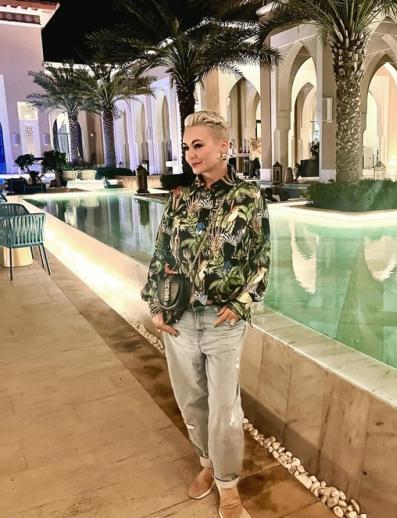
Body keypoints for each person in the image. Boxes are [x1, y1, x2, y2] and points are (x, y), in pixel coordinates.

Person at [141, 111, 270, 518]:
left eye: (198, 145)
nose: (190, 154)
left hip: (221, 322)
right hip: (179, 320)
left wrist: (241, 304)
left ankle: (228, 487)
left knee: (225, 406)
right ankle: (207, 463)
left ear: (224, 147)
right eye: (186, 147)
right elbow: (160, 253)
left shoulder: (248, 197)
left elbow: (261, 259)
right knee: (191, 400)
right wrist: (155, 305)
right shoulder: (180, 197)